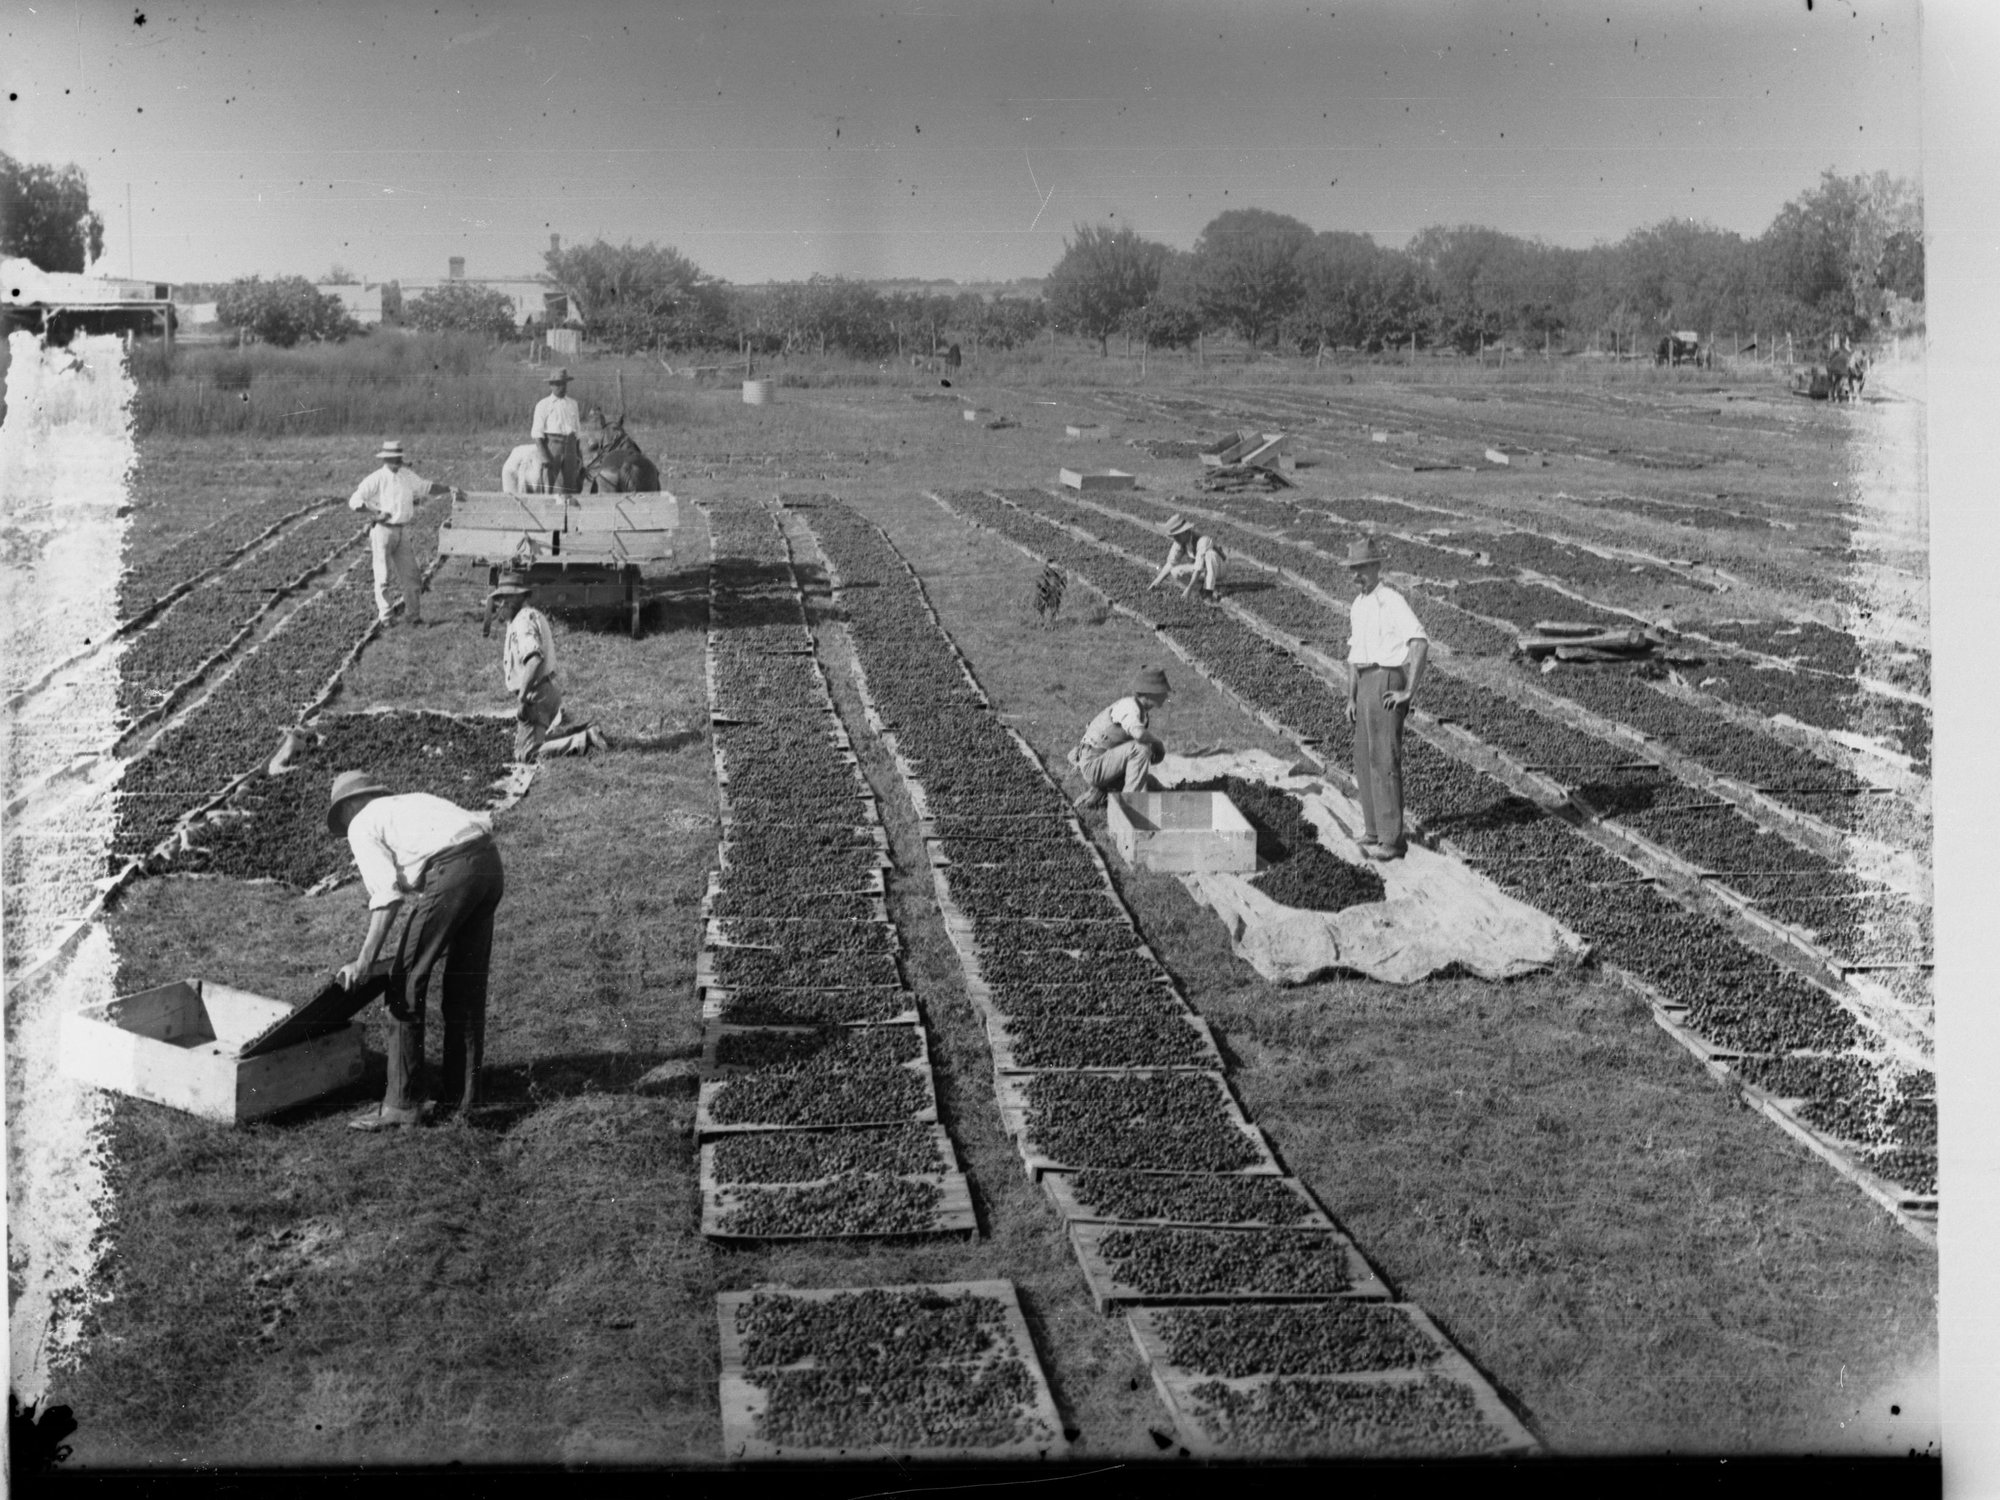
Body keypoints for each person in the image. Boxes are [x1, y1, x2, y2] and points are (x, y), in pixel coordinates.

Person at [329, 772, 505, 1130]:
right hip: (489, 864)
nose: (344, 825)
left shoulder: (361, 824)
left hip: (454, 870)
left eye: (341, 817)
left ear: (349, 806)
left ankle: (403, 1105)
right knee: (465, 990)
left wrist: (364, 960)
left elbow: (386, 896)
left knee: (404, 983)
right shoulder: (410, 802)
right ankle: (463, 1101)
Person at [1342, 538, 1428, 861]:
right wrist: (1350, 696)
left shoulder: (1391, 600)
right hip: (1364, 684)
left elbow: (1419, 642)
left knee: (1384, 760)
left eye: (1361, 568)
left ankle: (1392, 839)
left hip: (1386, 679)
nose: (1356, 576)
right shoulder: (1358, 605)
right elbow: (1353, 656)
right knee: (1364, 760)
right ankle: (1374, 830)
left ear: (1377, 567)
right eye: (1353, 570)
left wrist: (1408, 691)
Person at [491, 572, 607, 760]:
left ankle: (583, 739)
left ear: (513, 599)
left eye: (501, 600)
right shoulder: (530, 616)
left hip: (536, 695)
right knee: (535, 742)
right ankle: (586, 730)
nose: (499, 606)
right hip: (546, 690)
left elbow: (534, 659)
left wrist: (522, 698)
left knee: (525, 754)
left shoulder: (522, 622)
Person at [348, 440, 459, 627]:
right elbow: (355, 501)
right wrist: (375, 513)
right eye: (393, 458)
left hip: (401, 530)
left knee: (412, 575)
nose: (396, 461)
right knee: (382, 576)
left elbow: (426, 487)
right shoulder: (376, 478)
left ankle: (413, 616)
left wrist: (449, 489)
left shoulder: (406, 475)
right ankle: (386, 617)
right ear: (386, 459)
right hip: (382, 531)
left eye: (398, 458)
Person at [1069, 665, 1172, 811]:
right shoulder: (1130, 707)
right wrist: (1157, 743)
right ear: (1151, 693)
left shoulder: (1141, 713)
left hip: (1105, 763)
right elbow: (1139, 735)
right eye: (1162, 692)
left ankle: (1098, 796)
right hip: (1094, 764)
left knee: (1153, 786)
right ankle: (1130, 808)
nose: (1166, 696)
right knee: (1141, 748)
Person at [1149, 514, 1225, 604]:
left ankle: (1209, 592)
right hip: (1203, 570)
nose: (1175, 539)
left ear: (1185, 532)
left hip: (1218, 568)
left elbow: (1198, 568)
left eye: (1176, 536)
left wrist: (1189, 588)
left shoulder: (1202, 540)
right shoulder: (1180, 541)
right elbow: (1171, 563)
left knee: (1210, 555)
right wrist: (1156, 582)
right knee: (1175, 571)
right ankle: (1201, 589)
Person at [532, 367, 585, 495]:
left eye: (564, 384)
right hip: (552, 445)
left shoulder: (573, 404)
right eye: (558, 384)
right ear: (551, 385)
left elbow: (577, 432)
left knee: (571, 484)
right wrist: (544, 456)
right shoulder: (543, 405)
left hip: (571, 446)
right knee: (548, 484)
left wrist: (579, 455)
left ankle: (570, 513)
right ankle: (546, 511)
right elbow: (537, 434)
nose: (562, 387)